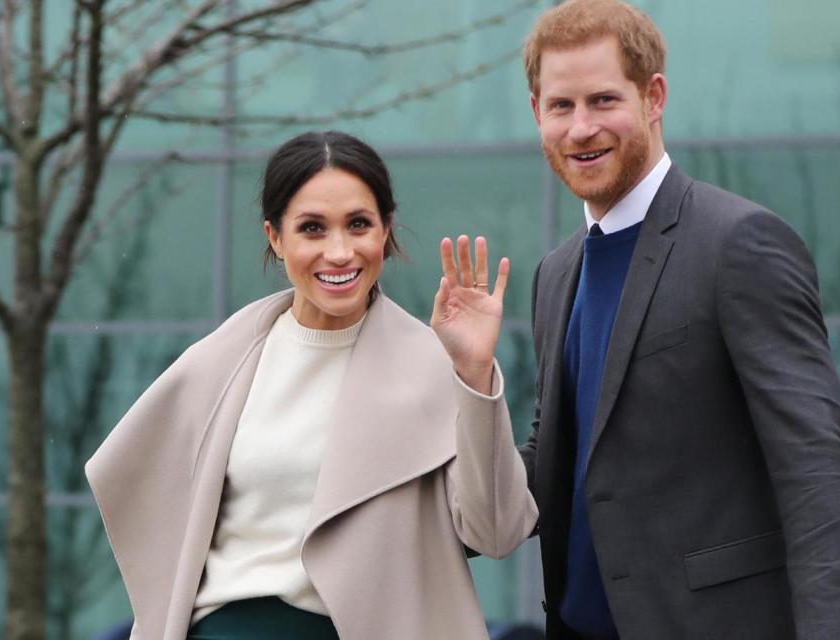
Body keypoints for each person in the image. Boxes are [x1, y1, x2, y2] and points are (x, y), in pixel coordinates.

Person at [85, 130, 538, 640]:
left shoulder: (432, 364)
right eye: (313, 228)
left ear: (386, 230)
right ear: (276, 238)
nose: (340, 252)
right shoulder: (223, 360)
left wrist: (475, 373)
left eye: (359, 224)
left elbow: (497, 532)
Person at [516, 1, 840, 638]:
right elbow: (555, 465)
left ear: (654, 97)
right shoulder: (555, 274)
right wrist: (464, 393)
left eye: (603, 101)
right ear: (537, 112)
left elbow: (816, 472)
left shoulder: (740, 243)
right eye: (561, 107)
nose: (580, 129)